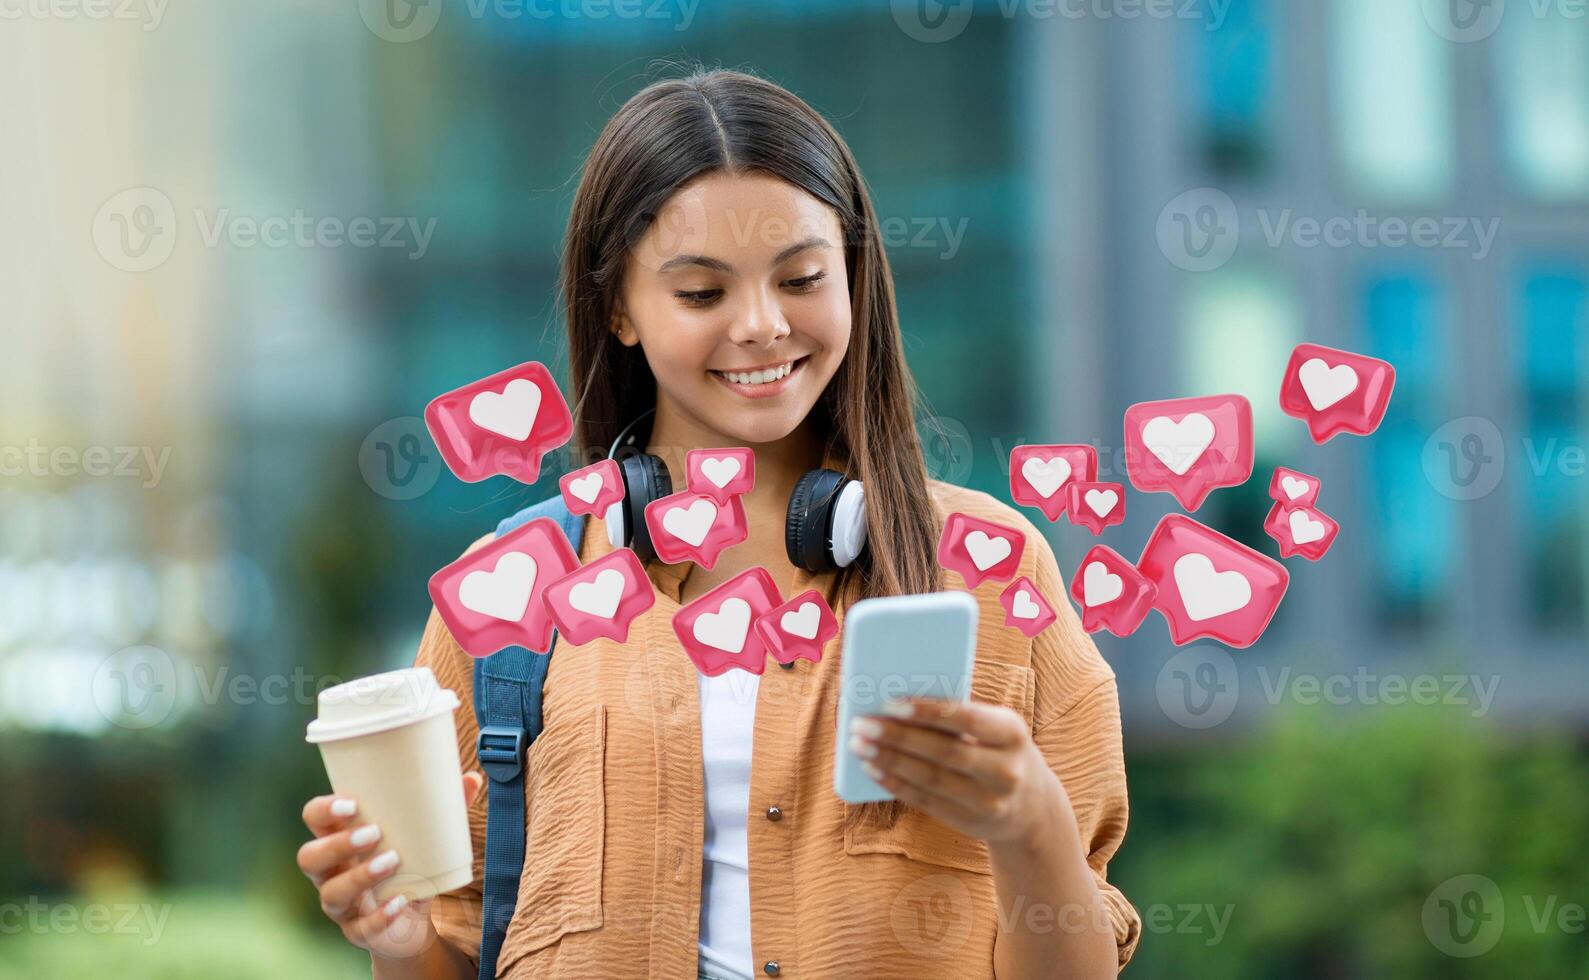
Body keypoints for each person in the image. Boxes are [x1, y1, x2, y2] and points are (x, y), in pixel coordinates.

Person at [296, 68, 1139, 979]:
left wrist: (1031, 827)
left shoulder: (990, 571)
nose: (763, 326)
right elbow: (453, 947)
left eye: (803, 277)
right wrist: (398, 937)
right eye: (702, 294)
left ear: (852, 274)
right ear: (618, 305)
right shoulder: (511, 591)